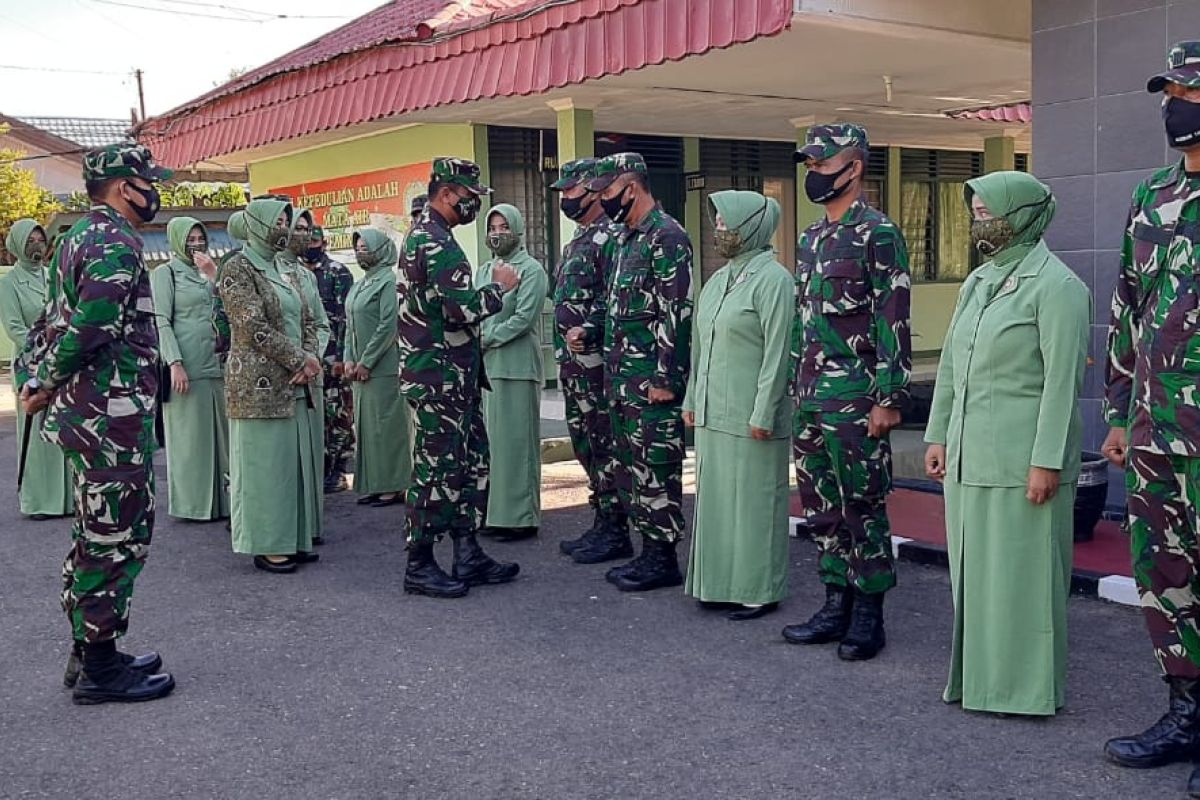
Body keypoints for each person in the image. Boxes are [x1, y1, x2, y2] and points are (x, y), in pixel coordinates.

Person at [924, 173, 1090, 715]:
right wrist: (938, 434)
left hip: (1022, 461)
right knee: (975, 575)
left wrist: (1046, 462)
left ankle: (1026, 689)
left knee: (1023, 578)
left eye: (987, 212)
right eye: (974, 212)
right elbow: (952, 366)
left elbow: (1063, 385)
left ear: (1019, 215)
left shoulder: (1058, 287)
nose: (978, 222)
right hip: (969, 456)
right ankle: (978, 681)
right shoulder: (979, 282)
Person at [19, 143, 174, 703]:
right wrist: (45, 382)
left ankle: (90, 649)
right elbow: (93, 322)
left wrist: (38, 378)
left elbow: (49, 323)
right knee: (115, 535)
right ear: (120, 187)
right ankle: (101, 668)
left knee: (95, 530)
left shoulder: (75, 237)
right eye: (146, 181)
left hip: (95, 415)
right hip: (109, 417)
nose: (154, 190)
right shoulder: (112, 239)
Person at [1102, 42, 1200, 795]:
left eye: (1192, 92)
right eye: (1171, 91)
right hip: (1153, 431)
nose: (1179, 105)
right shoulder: (1152, 197)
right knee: (1165, 575)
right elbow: (1127, 310)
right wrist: (1115, 409)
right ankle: (1186, 711)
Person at [781, 123, 911, 661]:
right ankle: (835, 601)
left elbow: (893, 319)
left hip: (856, 396)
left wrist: (888, 397)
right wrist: (793, 381)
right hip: (812, 394)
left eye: (823, 164)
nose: (814, 174)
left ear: (854, 167)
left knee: (862, 505)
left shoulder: (878, 233)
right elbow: (801, 318)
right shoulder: (812, 238)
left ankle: (869, 614)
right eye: (809, 165)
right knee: (821, 507)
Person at [397, 157, 521, 598]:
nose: (473, 205)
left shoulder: (429, 236)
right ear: (447, 193)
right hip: (439, 378)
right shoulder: (435, 243)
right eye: (469, 197)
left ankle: (467, 552)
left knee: (467, 466)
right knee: (436, 471)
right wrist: (499, 289)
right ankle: (420, 563)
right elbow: (460, 309)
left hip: (450, 376)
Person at [682, 191, 794, 621]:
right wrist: (693, 398)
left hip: (751, 415)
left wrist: (765, 411)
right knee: (717, 502)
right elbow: (700, 346)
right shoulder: (718, 280)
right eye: (718, 224)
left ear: (753, 227)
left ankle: (757, 588)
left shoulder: (775, 280)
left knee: (753, 504)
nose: (720, 231)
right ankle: (718, 584)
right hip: (714, 412)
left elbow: (778, 353)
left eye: (728, 223)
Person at [584, 153, 692, 592]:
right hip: (622, 381)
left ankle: (662, 556)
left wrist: (667, 378)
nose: (604, 200)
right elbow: (620, 312)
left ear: (632, 187)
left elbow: (676, 312)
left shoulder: (666, 237)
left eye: (608, 192)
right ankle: (647, 550)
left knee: (657, 466)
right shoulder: (626, 239)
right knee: (632, 467)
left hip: (651, 382)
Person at [219, 198, 323, 574]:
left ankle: (292, 538)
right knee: (264, 468)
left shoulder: (283, 267)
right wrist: (300, 360)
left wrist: (309, 358)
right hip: (258, 386)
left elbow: (308, 316)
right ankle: (267, 543)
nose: (283, 226)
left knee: (288, 468)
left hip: (296, 381)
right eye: (277, 220)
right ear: (257, 224)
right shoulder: (236, 268)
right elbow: (251, 326)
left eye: (286, 220)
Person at [548, 158, 627, 563]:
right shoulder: (577, 240)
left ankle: (615, 526)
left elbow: (613, 296)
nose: (565, 198)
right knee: (584, 442)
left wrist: (590, 329)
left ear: (594, 191)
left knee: (604, 441)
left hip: (595, 362)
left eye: (571, 191)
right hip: (572, 364)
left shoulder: (611, 238)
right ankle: (601, 518)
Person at [149, 217, 230, 522]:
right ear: (177, 240)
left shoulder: (209, 270)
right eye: (190, 239)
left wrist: (213, 276)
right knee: (190, 440)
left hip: (216, 363)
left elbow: (228, 306)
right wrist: (175, 363)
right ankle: (194, 505)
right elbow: (161, 320)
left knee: (222, 437)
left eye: (200, 238)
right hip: (186, 368)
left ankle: (224, 502)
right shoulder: (165, 273)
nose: (197, 244)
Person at [476, 203, 548, 540]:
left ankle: (520, 517)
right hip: (487, 369)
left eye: (505, 226)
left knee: (516, 446)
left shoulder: (530, 270)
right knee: (493, 447)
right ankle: (494, 514)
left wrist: (487, 337)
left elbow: (524, 318)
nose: (498, 233)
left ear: (517, 230)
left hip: (516, 367)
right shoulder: (484, 271)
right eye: (493, 226)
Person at [0, 219, 74, 521]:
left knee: (62, 426)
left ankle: (67, 500)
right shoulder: (8, 283)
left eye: (39, 238)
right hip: (30, 363)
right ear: (17, 244)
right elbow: (15, 327)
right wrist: (41, 349)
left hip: (59, 360)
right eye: (29, 239)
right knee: (37, 431)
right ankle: (40, 501)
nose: (36, 244)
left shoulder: (50, 275)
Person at [344, 228, 411, 506]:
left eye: (366, 247)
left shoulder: (387, 281)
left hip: (382, 367)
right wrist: (349, 358)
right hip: (359, 370)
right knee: (368, 429)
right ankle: (373, 482)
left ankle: (393, 485)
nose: (361, 253)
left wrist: (367, 361)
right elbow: (349, 324)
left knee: (387, 428)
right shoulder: (361, 283)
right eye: (358, 248)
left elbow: (388, 325)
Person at [278, 209, 330, 545]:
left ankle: (310, 527)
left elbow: (320, 324)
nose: (302, 235)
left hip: (309, 376)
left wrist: (311, 359)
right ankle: (286, 530)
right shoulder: (260, 270)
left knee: (311, 455)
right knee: (284, 465)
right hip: (279, 377)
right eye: (294, 227)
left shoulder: (306, 275)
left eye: (306, 229)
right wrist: (293, 361)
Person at [301, 225, 356, 495]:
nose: (309, 244)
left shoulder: (337, 272)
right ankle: (320, 468)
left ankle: (338, 470)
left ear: (324, 242)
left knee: (339, 416)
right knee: (318, 416)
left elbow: (347, 319)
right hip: (309, 359)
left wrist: (344, 356)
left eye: (314, 240)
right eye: (306, 239)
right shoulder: (297, 273)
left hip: (334, 357)